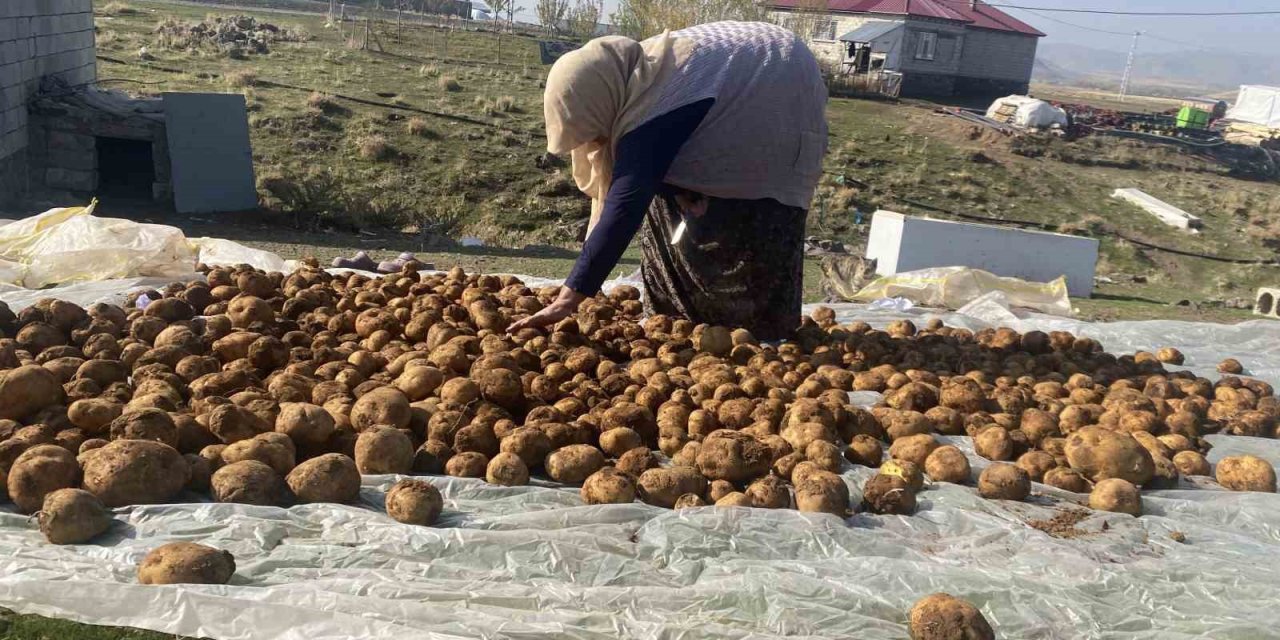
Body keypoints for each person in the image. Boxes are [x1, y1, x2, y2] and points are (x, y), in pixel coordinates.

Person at [507, 21, 828, 341]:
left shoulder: (656, 101)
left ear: (598, 99)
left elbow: (624, 209)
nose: (594, 141)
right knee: (669, 210)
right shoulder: (633, 77)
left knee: (746, 231)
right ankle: (678, 323)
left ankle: (755, 335)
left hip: (777, 85)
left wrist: (568, 299)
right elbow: (644, 168)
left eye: (591, 128)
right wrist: (675, 189)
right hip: (737, 81)